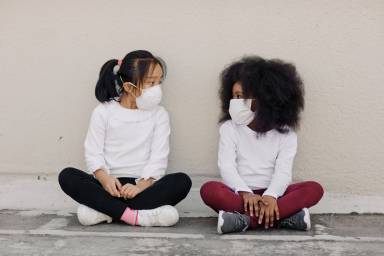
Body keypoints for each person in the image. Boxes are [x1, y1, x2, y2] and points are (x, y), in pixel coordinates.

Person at [59, 50, 191, 227]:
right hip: (109, 186)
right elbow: (93, 152)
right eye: (151, 83)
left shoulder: (159, 114)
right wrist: (105, 179)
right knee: (67, 176)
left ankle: (107, 212)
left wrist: (141, 186)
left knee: (182, 181)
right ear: (129, 87)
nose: (157, 88)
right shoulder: (103, 112)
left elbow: (159, 157)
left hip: (142, 187)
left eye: (159, 82)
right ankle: (136, 216)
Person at [200, 56, 323, 234]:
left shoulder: (286, 133)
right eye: (234, 96)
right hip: (240, 195)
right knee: (209, 190)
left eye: (241, 97)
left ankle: (245, 221)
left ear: (265, 100)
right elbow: (226, 166)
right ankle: (283, 218)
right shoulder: (230, 128)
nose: (235, 102)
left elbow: (283, 172)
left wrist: (271, 195)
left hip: (275, 195)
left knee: (314, 189)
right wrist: (245, 192)